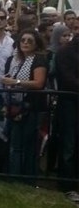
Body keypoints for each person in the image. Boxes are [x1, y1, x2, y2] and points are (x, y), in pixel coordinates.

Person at [1, 29, 47, 181]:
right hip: (15, 107)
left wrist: (16, 82)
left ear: (36, 44)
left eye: (30, 41)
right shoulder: (16, 61)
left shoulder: (38, 59)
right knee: (15, 144)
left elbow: (39, 83)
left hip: (32, 107)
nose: (25, 43)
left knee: (28, 145)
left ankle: (27, 178)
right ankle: (14, 177)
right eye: (23, 40)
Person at [55, 33, 79, 202]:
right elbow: (68, 79)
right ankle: (67, 184)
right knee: (69, 146)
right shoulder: (66, 52)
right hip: (70, 105)